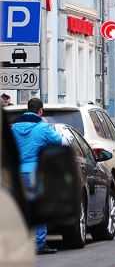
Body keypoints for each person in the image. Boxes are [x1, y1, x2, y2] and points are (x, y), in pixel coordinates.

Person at [12, 98, 63, 255]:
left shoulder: (13, 127)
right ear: (40, 111)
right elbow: (58, 141)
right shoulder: (43, 127)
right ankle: (39, 244)